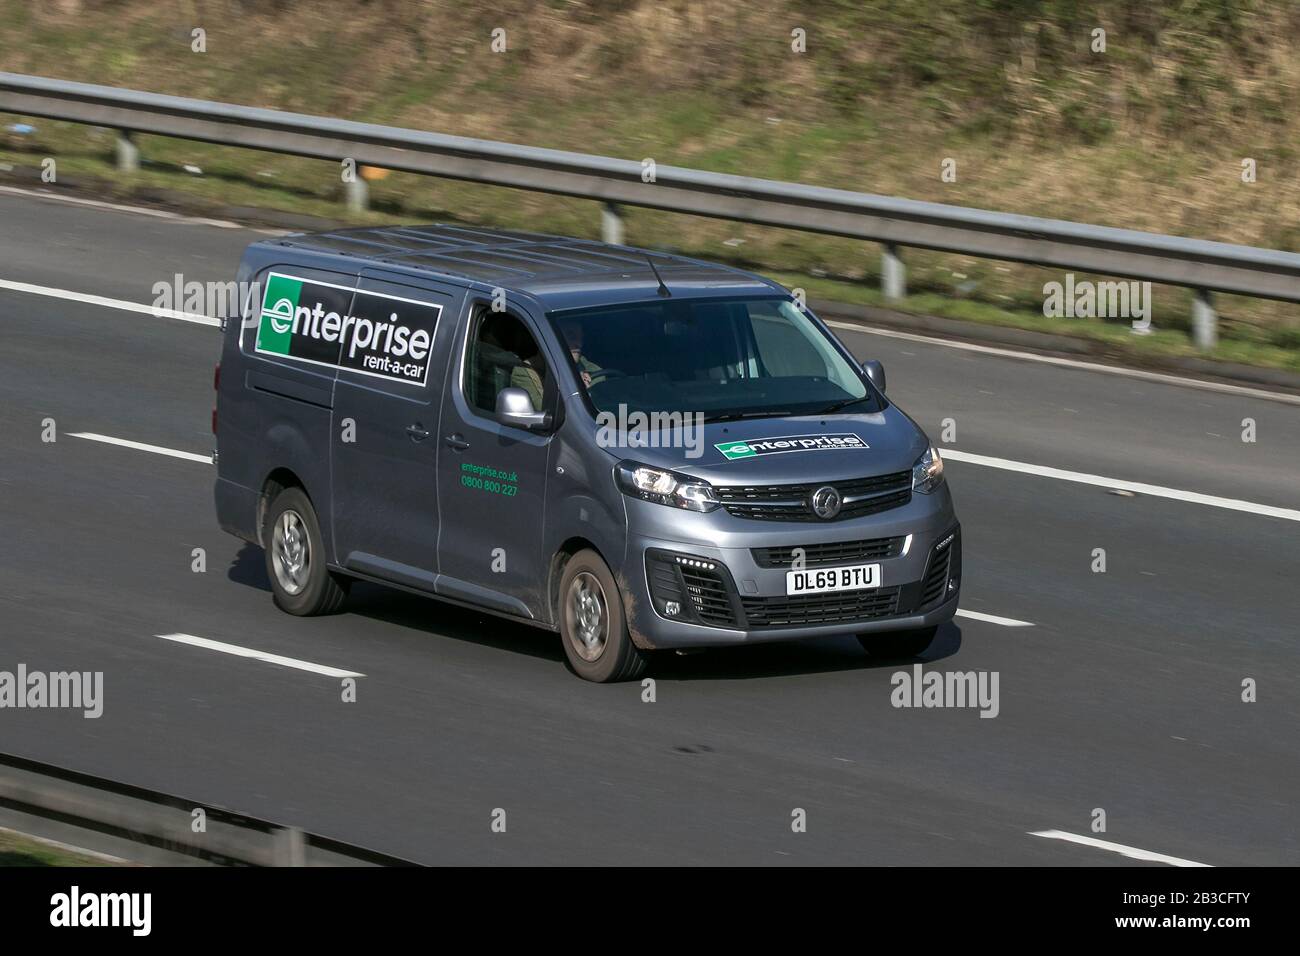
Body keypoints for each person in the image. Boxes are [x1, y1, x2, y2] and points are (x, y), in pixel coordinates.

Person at [558, 318, 603, 388]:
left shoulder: (595, 372)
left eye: (580, 337)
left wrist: (587, 392)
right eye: (571, 336)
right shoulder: (537, 372)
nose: (579, 343)